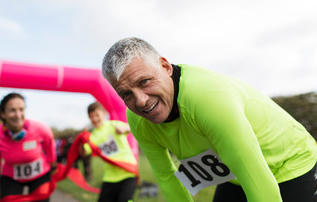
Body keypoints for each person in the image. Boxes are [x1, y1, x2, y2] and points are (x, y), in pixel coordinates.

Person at [102, 37, 317, 202]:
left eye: (145, 81)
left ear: (165, 67)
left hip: (292, 162)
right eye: (126, 94)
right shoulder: (138, 120)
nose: (140, 101)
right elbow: (167, 176)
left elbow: (252, 171)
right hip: (236, 175)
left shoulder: (206, 97)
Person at [0, 93, 57, 202]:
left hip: (40, 175)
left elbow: (50, 148)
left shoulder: (41, 128)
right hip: (11, 177)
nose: (18, 114)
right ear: (2, 114)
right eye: (12, 110)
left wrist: (53, 166)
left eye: (21, 109)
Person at [82, 102, 137, 202]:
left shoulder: (113, 124)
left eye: (97, 115)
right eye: (91, 116)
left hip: (128, 172)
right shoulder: (92, 137)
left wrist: (124, 128)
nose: (94, 119)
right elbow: (84, 152)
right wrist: (82, 140)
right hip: (109, 177)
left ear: (103, 114)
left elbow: (131, 127)